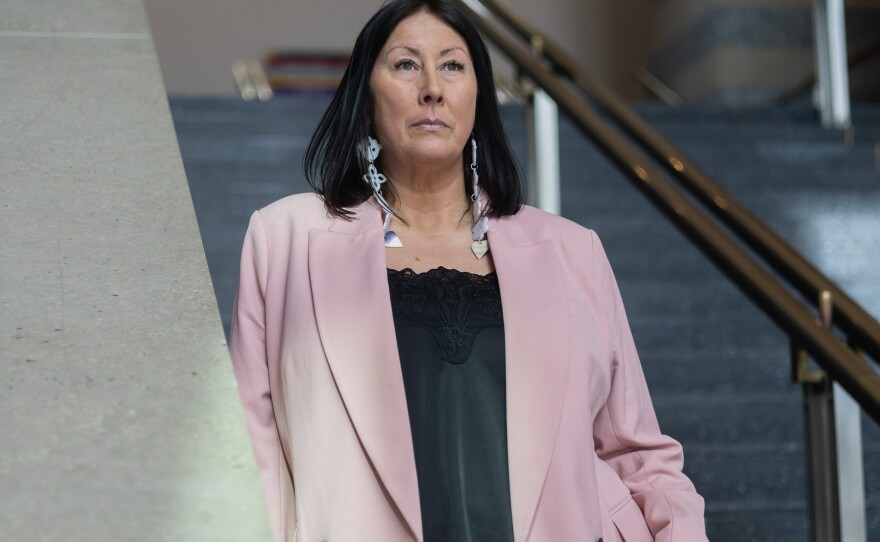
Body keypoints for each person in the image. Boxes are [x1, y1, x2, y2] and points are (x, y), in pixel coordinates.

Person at [229, 0, 708, 540]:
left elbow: (638, 454)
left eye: (453, 65)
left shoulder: (573, 250)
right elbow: (252, 453)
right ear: (366, 98)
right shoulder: (284, 240)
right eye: (406, 64)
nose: (432, 88)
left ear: (477, 97)